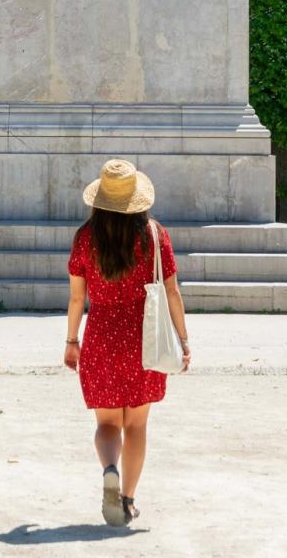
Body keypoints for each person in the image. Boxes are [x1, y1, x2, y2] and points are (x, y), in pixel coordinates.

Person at [65, 158, 191, 526]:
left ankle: (109, 468)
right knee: (136, 425)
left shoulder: (85, 238)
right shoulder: (154, 234)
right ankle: (129, 500)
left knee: (107, 423)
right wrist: (183, 339)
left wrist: (72, 341)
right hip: (144, 336)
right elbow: (171, 290)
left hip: (101, 334)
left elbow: (76, 298)